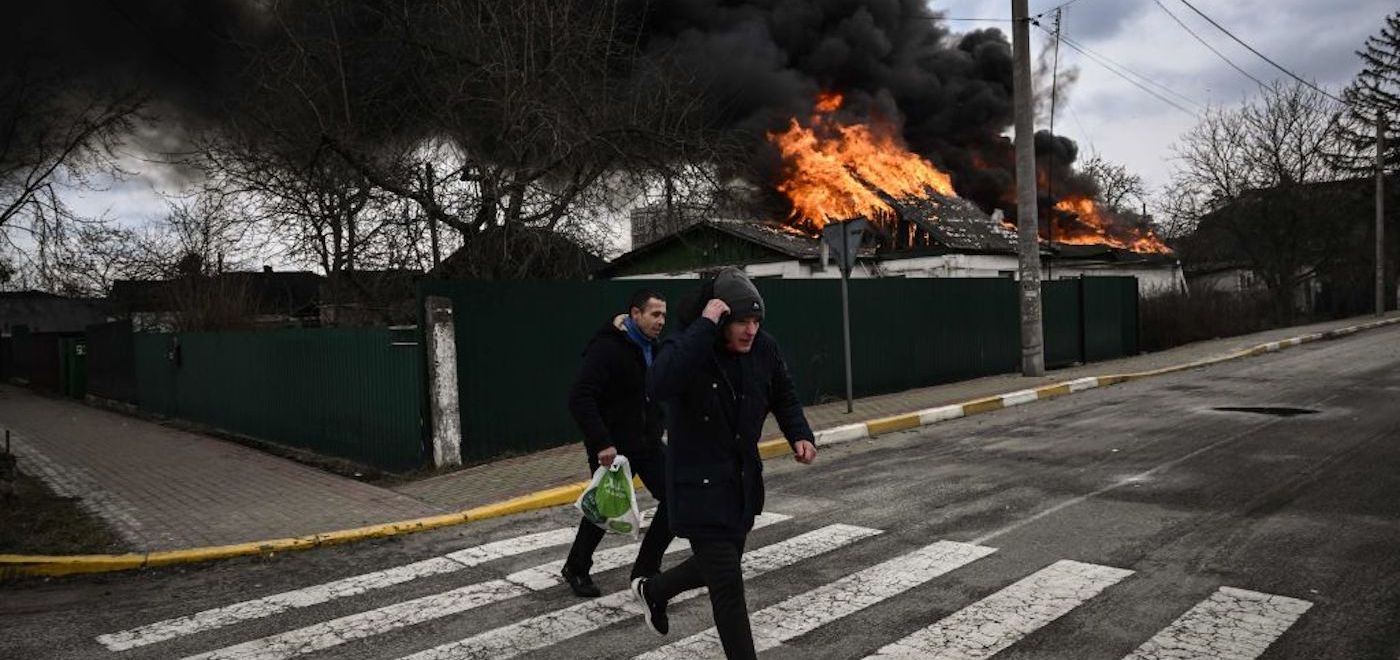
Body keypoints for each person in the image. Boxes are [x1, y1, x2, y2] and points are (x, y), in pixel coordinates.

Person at [632, 268, 817, 659]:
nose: (750, 330)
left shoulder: (764, 348)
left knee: (714, 568)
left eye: (756, 321)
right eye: (741, 322)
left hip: (740, 488)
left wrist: (799, 433)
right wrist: (704, 326)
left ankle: (653, 590)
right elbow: (659, 385)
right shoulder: (687, 347)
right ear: (719, 319)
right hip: (697, 488)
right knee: (728, 584)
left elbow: (783, 393)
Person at [563, 288, 672, 597]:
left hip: (648, 442)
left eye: (664, 314)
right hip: (613, 447)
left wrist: (661, 424)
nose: (661, 321)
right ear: (635, 314)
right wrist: (602, 443)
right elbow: (580, 397)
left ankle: (647, 568)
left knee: (676, 499)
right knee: (604, 510)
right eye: (654, 314)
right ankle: (576, 568)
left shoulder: (654, 348)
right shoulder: (607, 349)